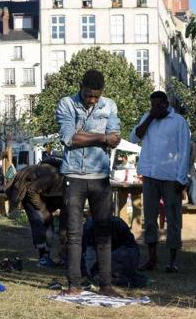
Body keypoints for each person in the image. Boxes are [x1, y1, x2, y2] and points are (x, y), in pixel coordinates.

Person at [56, 69, 121, 297]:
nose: (92, 99)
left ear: (102, 92)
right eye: (88, 95)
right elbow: (68, 137)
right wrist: (102, 138)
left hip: (100, 177)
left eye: (96, 95)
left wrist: (84, 135)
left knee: (104, 232)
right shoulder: (66, 104)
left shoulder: (110, 105)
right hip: (74, 176)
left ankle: (105, 284)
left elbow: (116, 137)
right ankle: (74, 284)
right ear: (80, 87)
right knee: (73, 233)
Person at [130, 91, 190, 273]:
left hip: (171, 177)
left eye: (159, 105)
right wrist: (149, 118)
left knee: (173, 218)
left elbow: (185, 150)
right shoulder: (147, 118)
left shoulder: (178, 121)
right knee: (149, 218)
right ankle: (152, 258)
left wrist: (182, 178)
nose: (156, 108)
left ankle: (172, 260)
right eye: (153, 105)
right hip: (150, 175)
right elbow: (134, 137)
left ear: (166, 103)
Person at [5, 159, 66, 267]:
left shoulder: (70, 185)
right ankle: (43, 257)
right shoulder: (53, 176)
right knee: (39, 221)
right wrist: (43, 209)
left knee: (49, 222)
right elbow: (32, 190)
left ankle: (52, 255)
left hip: (43, 193)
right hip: (29, 190)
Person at [82, 216, 147, 288]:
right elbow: (88, 255)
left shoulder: (116, 223)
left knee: (99, 274)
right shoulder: (89, 226)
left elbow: (130, 249)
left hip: (124, 254)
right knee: (94, 273)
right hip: (109, 257)